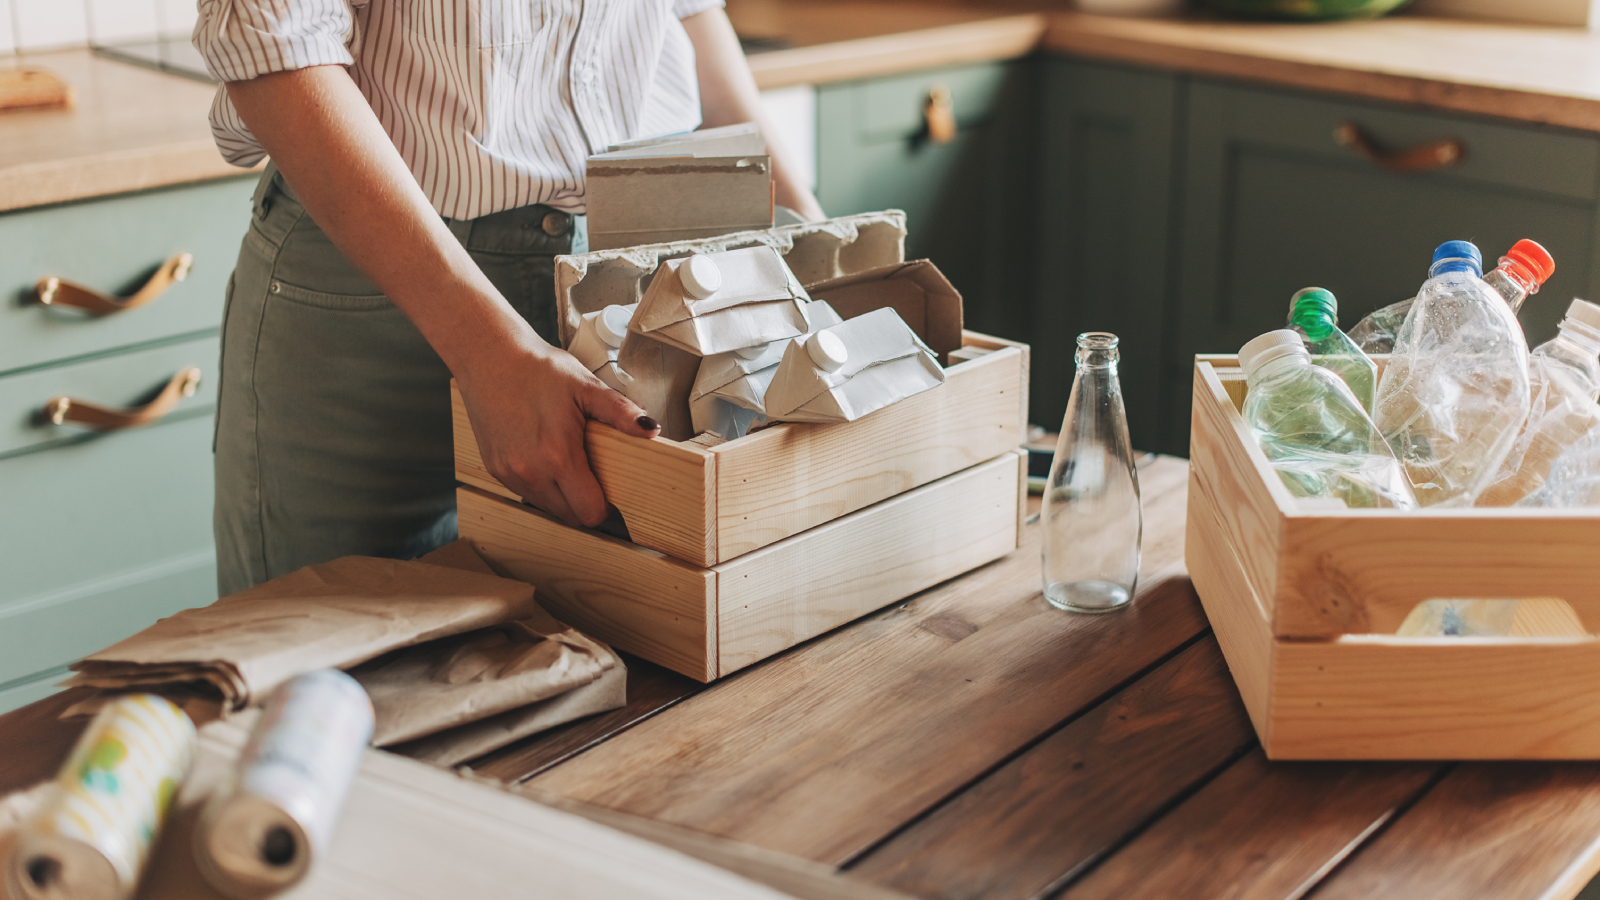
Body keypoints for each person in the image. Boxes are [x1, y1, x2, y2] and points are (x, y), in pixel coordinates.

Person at [194, 0, 823, 596]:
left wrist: (812, 242)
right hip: (379, 293)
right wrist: (486, 351)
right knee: (331, 679)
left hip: (639, 275)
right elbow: (274, 43)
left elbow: (687, 13)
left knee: (630, 682)